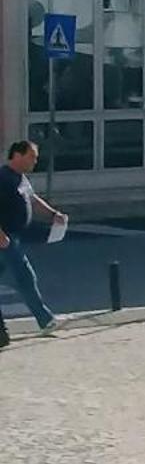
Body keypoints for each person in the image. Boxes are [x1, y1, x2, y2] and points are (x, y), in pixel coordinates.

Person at [0, 140, 62, 335]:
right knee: (25, 276)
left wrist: (53, 214)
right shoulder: (3, 178)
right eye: (31, 157)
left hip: (13, 237)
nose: (35, 161)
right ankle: (45, 320)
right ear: (17, 155)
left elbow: (33, 200)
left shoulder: (21, 178)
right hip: (5, 238)